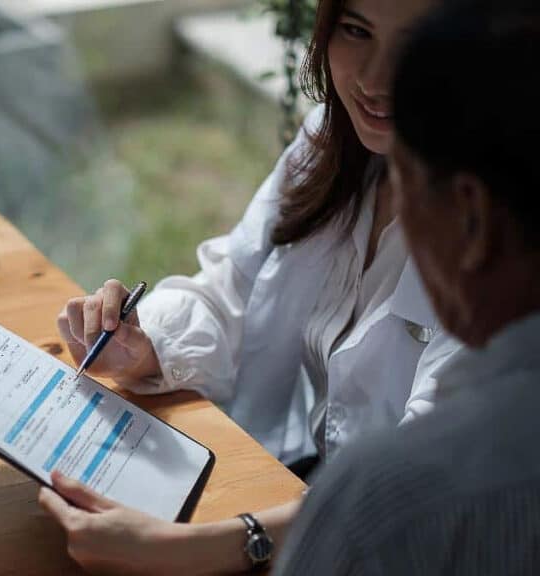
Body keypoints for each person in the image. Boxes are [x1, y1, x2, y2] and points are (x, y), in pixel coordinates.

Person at [43, 0, 458, 573]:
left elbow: (429, 484)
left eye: (416, 44)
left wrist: (199, 547)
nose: (372, 79)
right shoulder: (334, 145)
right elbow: (233, 286)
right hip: (310, 502)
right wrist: (143, 344)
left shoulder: (505, 233)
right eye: (356, 30)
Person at [275, 1, 540, 573]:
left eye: (410, 188)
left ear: (470, 214)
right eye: (355, 30)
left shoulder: (390, 500)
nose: (374, 80)